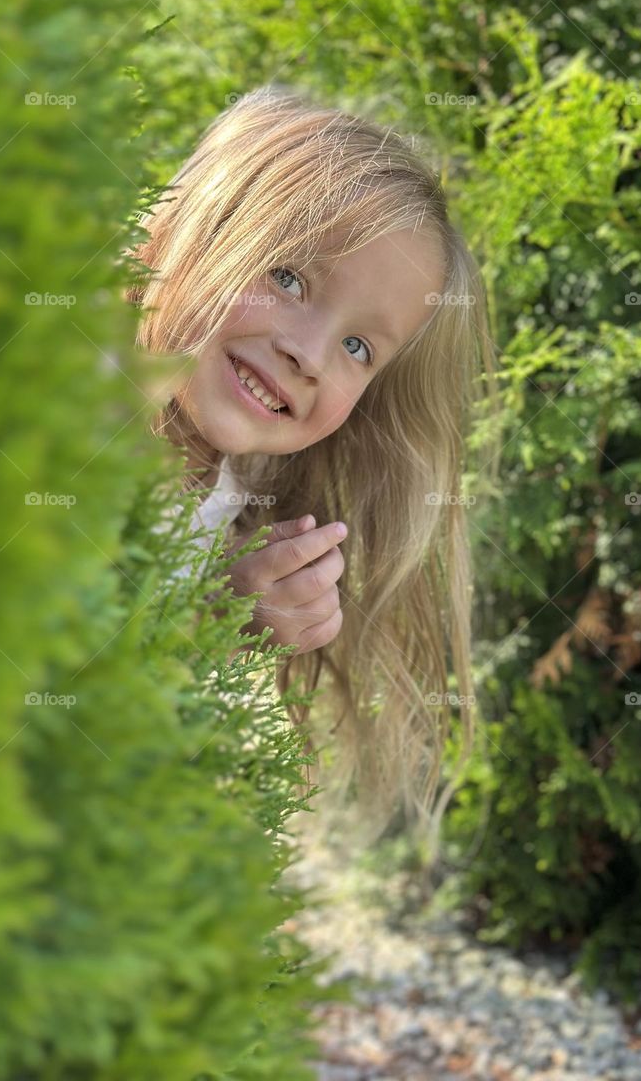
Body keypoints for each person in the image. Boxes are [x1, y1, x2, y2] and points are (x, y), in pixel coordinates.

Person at [124, 83, 500, 864]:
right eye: (289, 278)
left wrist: (228, 626)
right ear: (193, 228)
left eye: (359, 349)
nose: (309, 354)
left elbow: (128, 724)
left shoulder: (225, 509)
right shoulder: (64, 406)